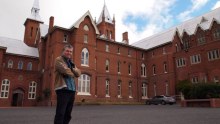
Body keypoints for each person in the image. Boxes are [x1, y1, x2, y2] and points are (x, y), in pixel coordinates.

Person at [54, 44, 81, 124]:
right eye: (67, 51)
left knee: (68, 114)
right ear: (63, 51)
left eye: (70, 51)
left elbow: (79, 73)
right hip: (63, 89)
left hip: (72, 90)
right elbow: (65, 71)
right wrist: (73, 72)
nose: (69, 53)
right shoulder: (58, 60)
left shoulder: (71, 63)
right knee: (60, 113)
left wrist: (72, 69)